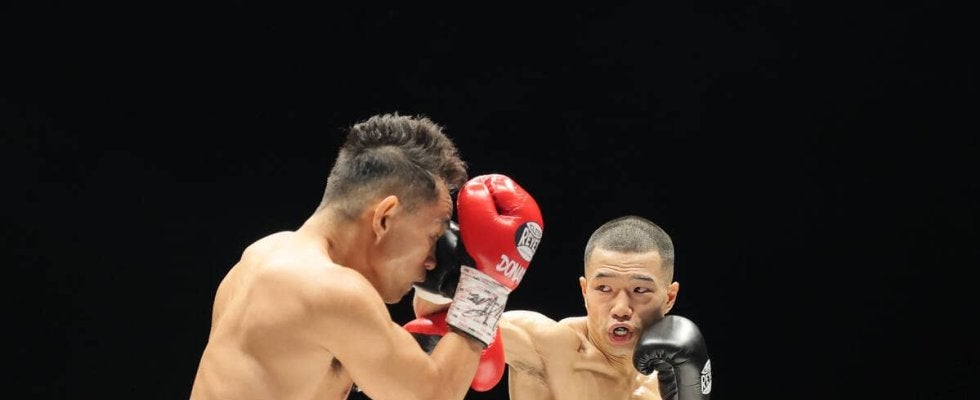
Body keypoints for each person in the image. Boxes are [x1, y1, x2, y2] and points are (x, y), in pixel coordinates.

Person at [190, 113, 544, 400]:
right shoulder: (331, 291)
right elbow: (433, 395)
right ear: (384, 217)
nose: (431, 260)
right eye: (432, 236)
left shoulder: (266, 254)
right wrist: (487, 287)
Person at [413, 215, 711, 400]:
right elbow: (437, 315)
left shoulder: (671, 373)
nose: (621, 308)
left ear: (669, 297)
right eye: (604, 289)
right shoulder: (550, 346)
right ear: (584, 291)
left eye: (640, 291)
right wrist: (455, 261)